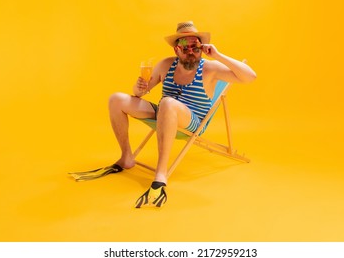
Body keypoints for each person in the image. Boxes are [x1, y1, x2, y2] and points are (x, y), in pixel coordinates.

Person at [104, 21, 255, 208]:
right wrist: (138, 87)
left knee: (167, 102)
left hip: (191, 120)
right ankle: (127, 156)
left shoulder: (210, 68)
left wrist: (217, 55)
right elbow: (140, 94)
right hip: (165, 112)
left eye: (195, 46)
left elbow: (250, 77)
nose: (190, 50)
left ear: (202, 48)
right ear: (176, 49)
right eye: (185, 47)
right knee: (116, 99)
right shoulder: (166, 65)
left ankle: (161, 172)